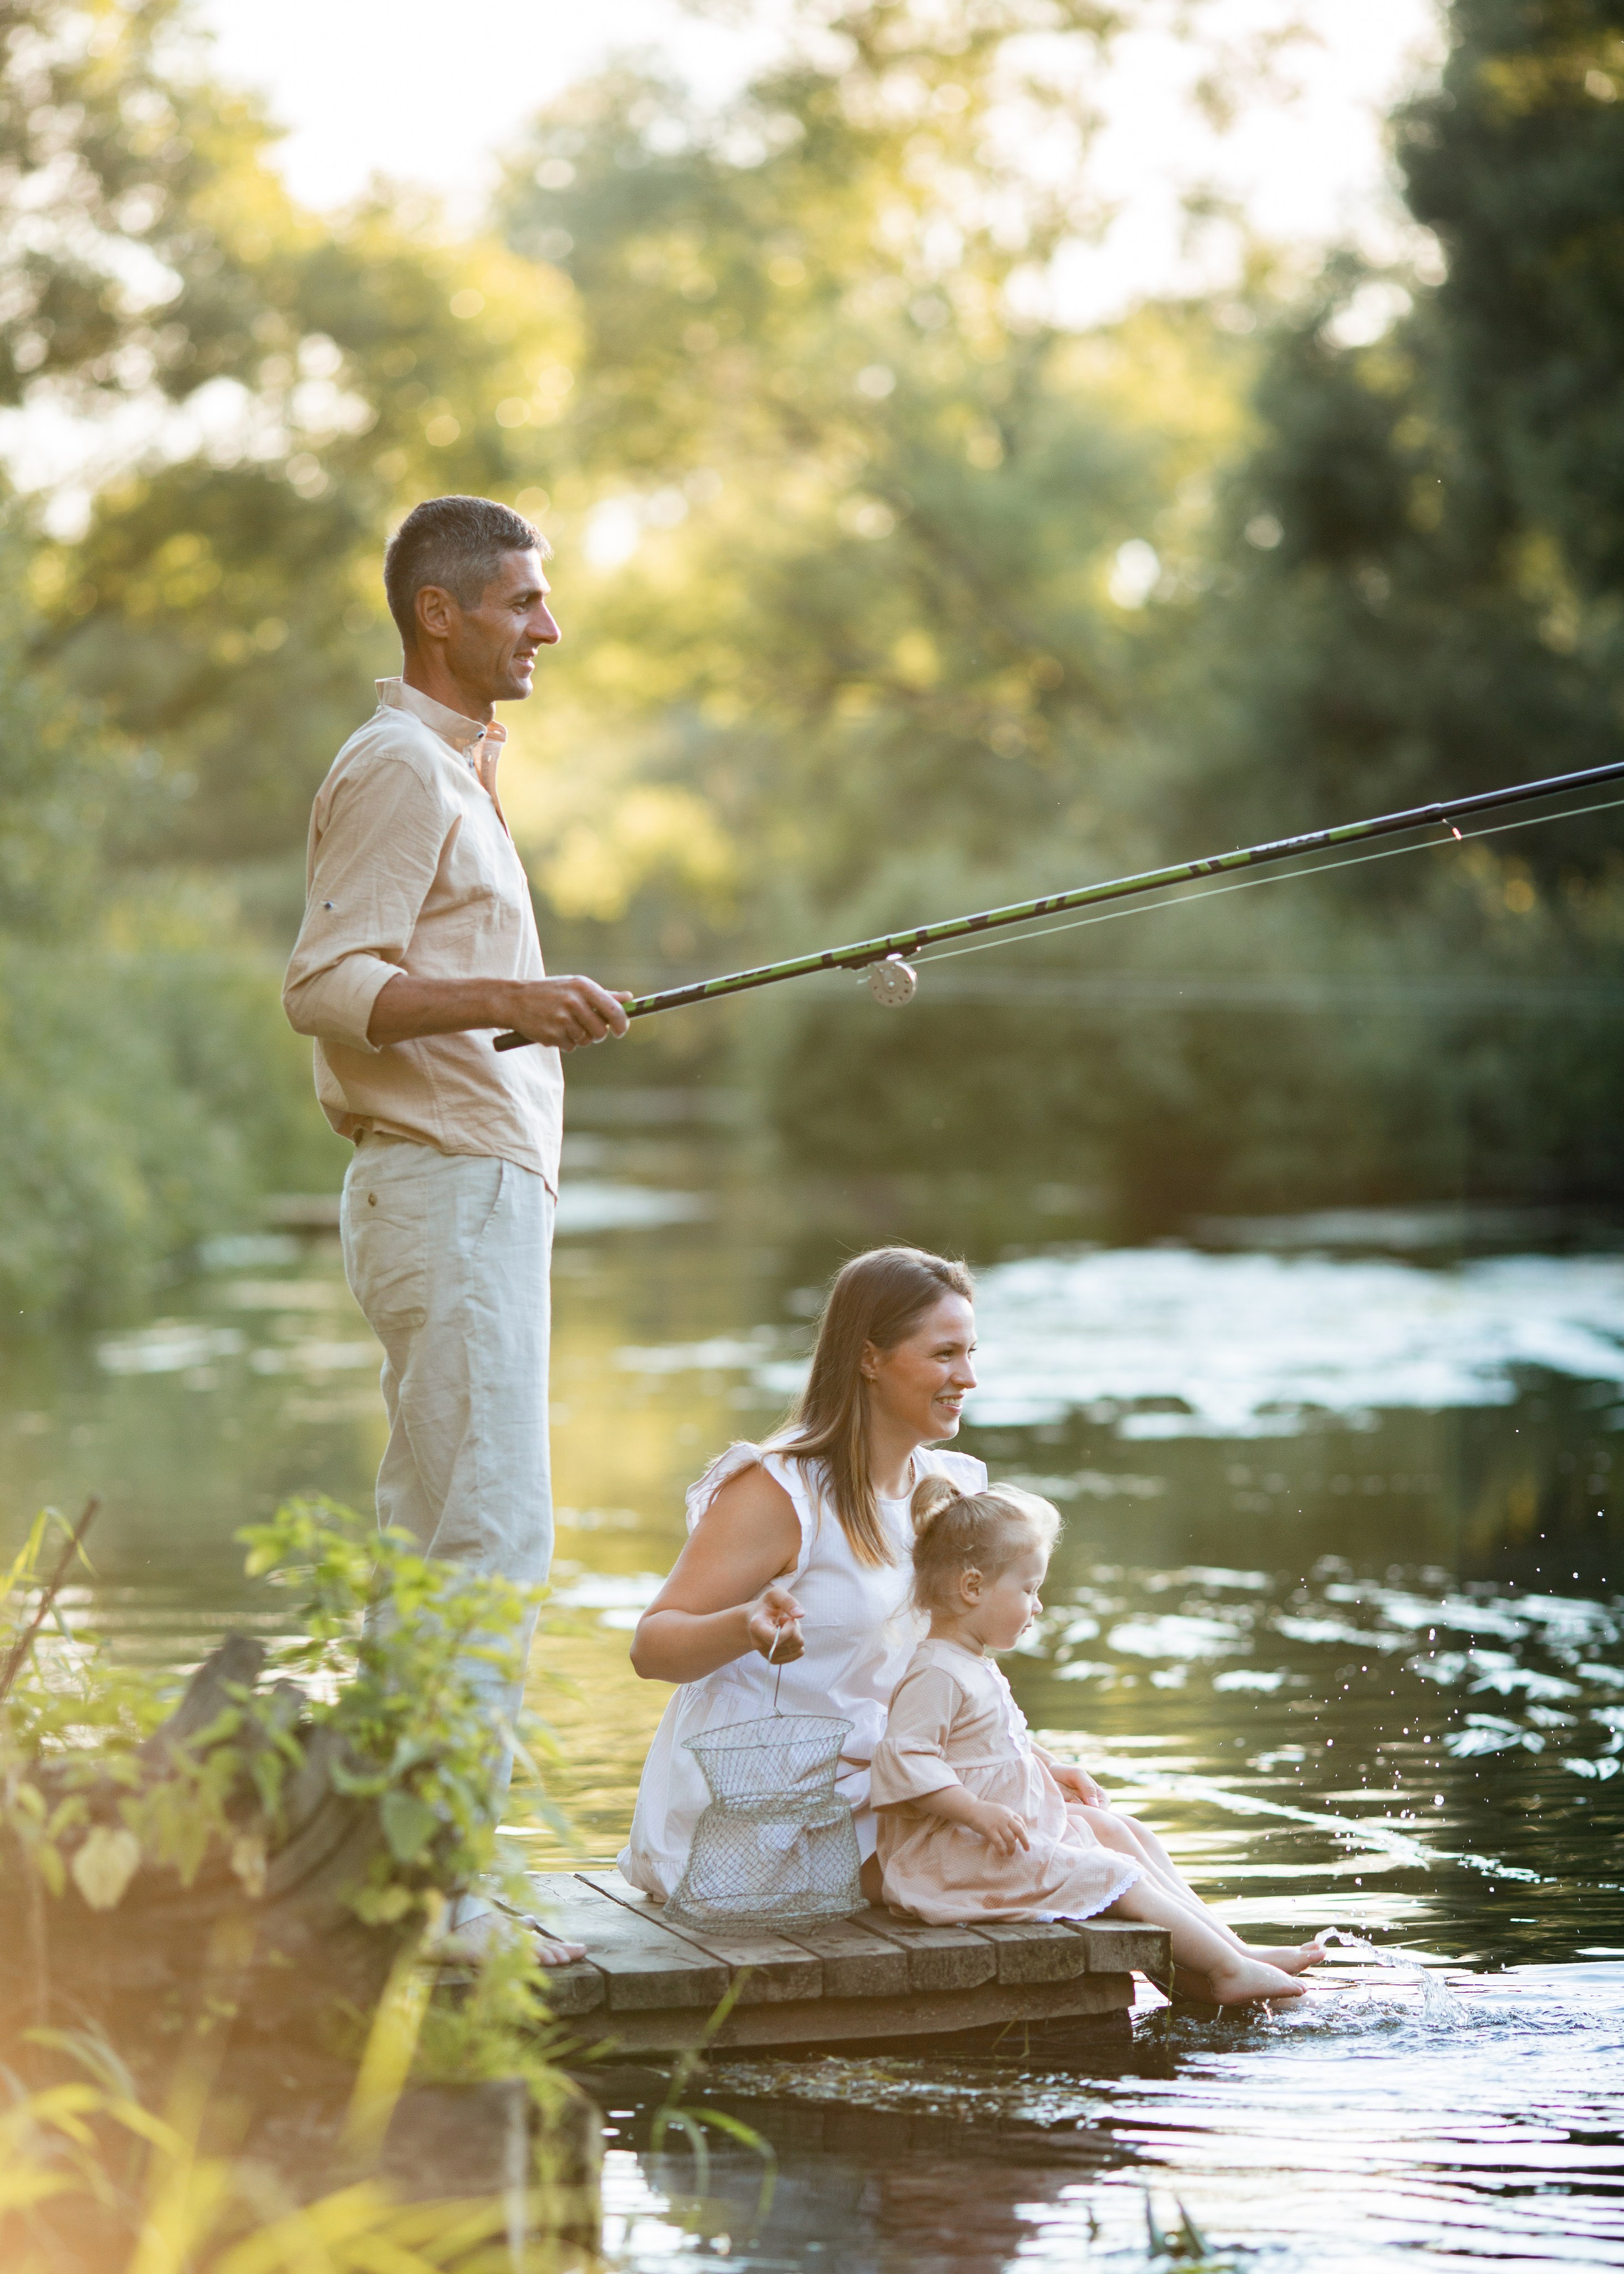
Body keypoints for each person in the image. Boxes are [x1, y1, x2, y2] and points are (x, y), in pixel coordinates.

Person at [283, 494, 629, 1962]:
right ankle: (443, 1897)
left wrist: (523, 1005)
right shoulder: (399, 771)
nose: (545, 627)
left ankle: (399, 1873)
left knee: (436, 1536)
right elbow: (324, 984)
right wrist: (514, 1000)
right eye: (520, 602)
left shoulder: (453, 775)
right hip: (444, 1181)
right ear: (441, 612)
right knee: (487, 1533)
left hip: (464, 1186)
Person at [622, 1246, 985, 1900]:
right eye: (944, 1354)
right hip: (762, 1823)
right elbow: (652, 1647)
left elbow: (951, 1668)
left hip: (881, 1780)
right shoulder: (780, 1491)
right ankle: (1226, 1977)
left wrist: (1029, 1763)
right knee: (1051, 1850)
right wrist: (743, 1625)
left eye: (970, 1353)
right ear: (870, 1357)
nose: (967, 1377)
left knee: (1092, 1825)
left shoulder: (948, 1489)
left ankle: (1230, 1973)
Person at [870, 1478, 1313, 2004]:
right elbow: (906, 1758)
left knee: (1124, 1833)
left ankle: (1234, 1948)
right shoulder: (936, 1673)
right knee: (1118, 1873)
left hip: (995, 1841)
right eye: (1029, 1590)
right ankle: (1224, 1972)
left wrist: (1052, 1768)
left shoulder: (970, 1664)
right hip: (955, 1863)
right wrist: (975, 1812)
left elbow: (992, 1744)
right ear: (972, 1588)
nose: (1037, 1607)